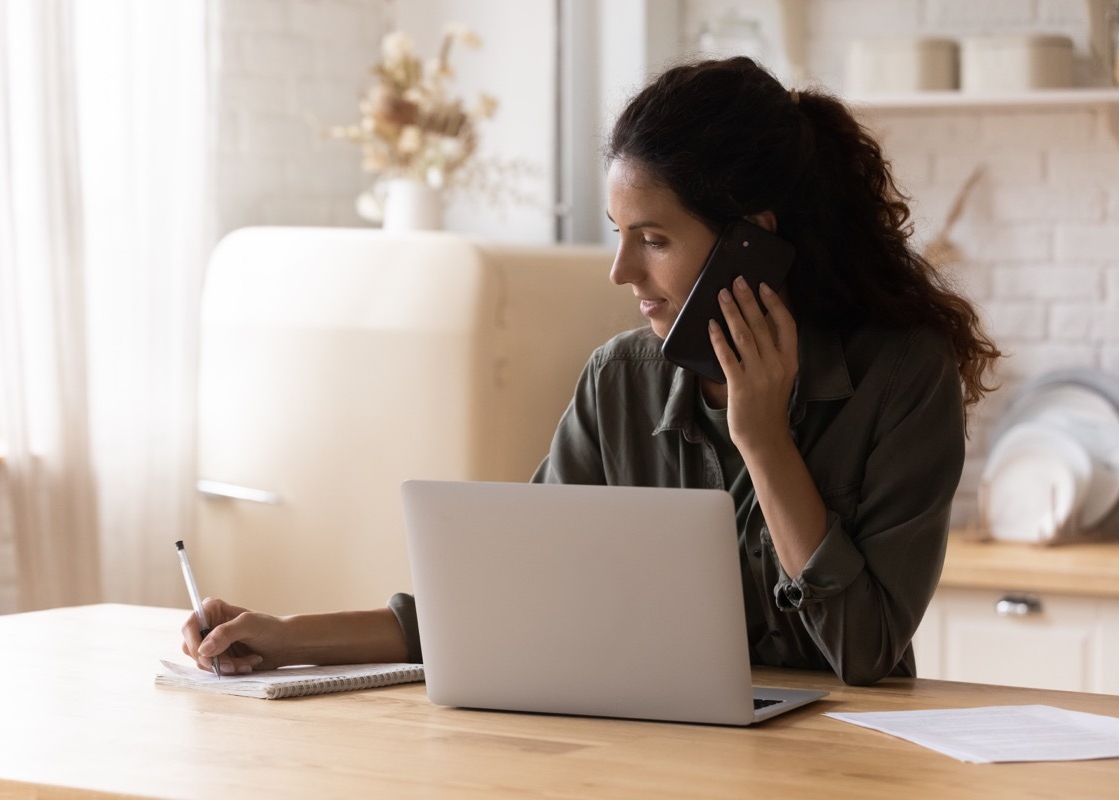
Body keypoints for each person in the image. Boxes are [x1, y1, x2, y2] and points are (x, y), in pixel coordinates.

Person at [182, 57, 1000, 686]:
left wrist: (764, 440)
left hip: (845, 773)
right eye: (618, 232)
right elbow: (501, 600)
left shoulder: (902, 379)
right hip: (649, 755)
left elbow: (861, 651)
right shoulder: (619, 383)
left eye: (653, 239)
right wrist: (287, 633)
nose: (620, 272)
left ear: (752, 240)